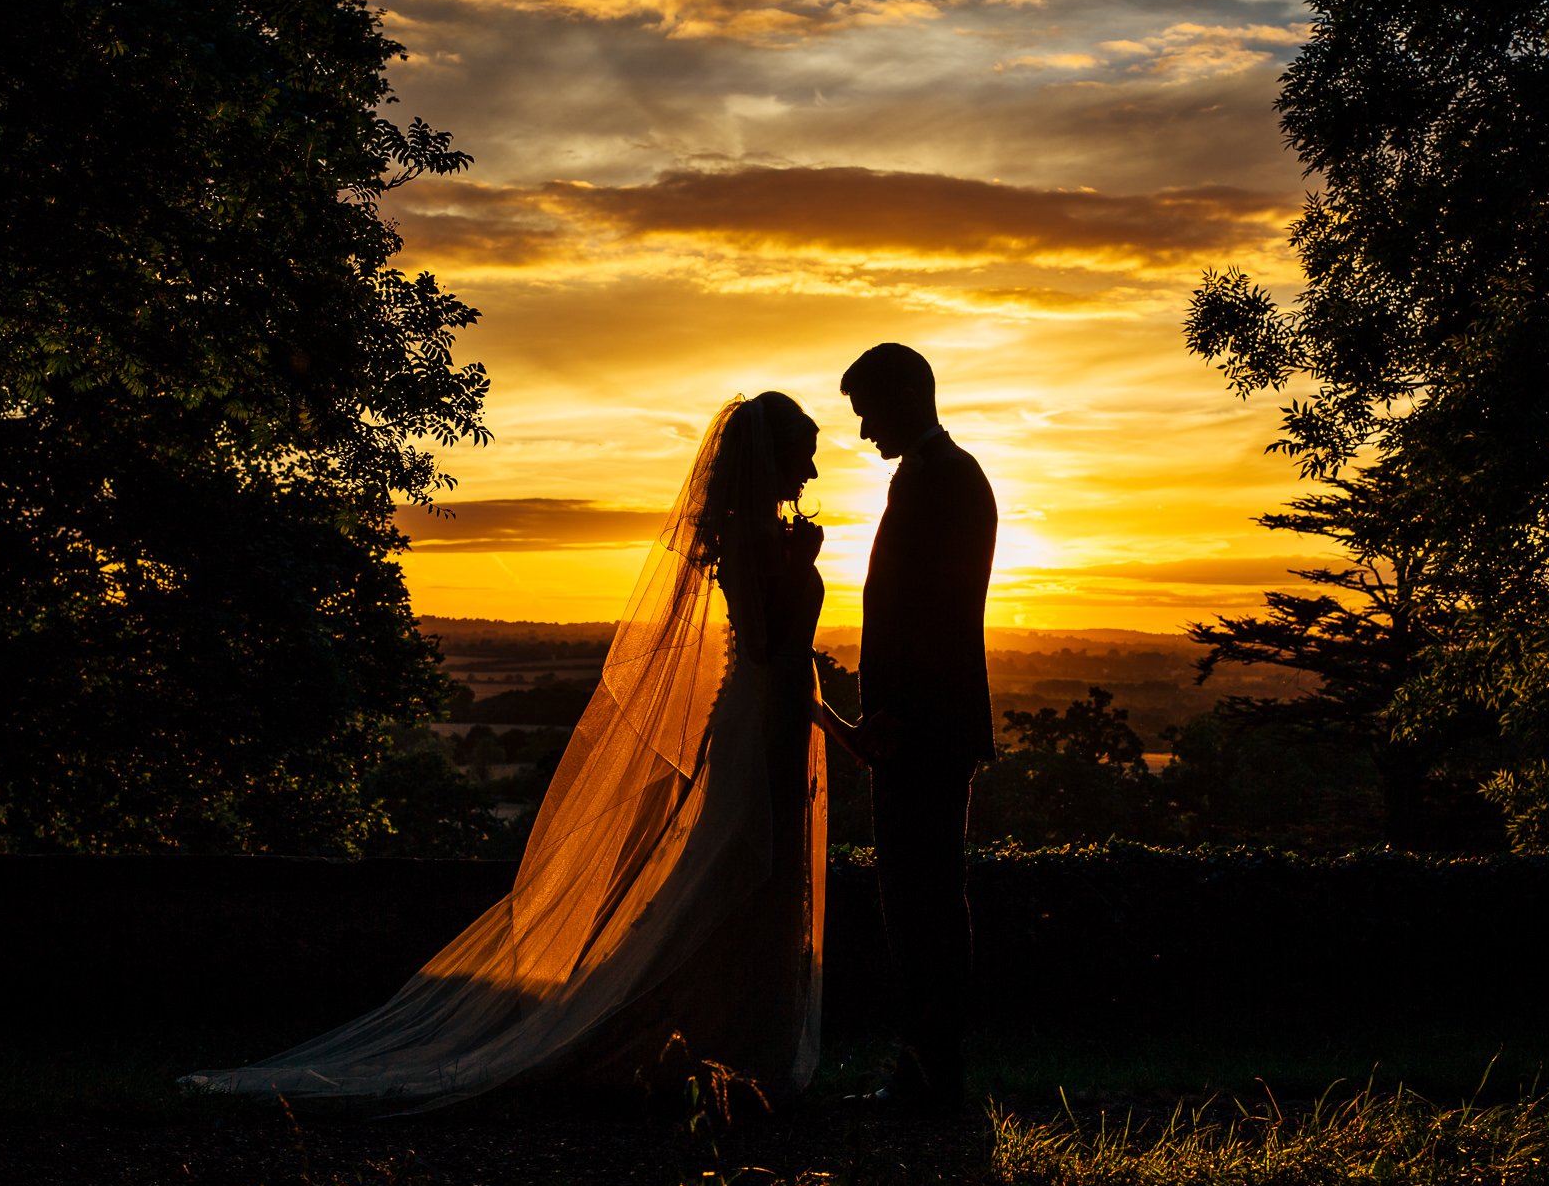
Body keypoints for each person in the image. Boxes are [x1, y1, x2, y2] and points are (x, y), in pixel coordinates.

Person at [180, 393, 834, 1111]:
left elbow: (785, 664)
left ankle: (747, 1048)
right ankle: (721, 1052)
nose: (809, 467)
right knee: (741, 877)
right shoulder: (746, 537)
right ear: (770, 457)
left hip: (776, 720)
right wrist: (801, 568)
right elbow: (773, 650)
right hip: (754, 723)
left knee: (766, 885)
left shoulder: (767, 534)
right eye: (801, 450)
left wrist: (839, 726)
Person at [840, 343, 997, 1111]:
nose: (865, 430)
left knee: (923, 897)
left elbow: (942, 613)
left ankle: (932, 1073)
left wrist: (897, 714)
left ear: (907, 393)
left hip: (924, 731)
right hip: (918, 727)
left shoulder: (948, 480)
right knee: (915, 896)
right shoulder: (930, 477)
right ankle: (925, 1065)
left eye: (868, 409)